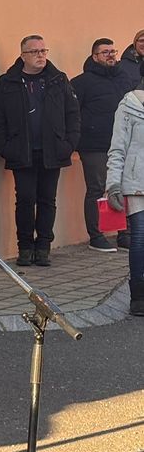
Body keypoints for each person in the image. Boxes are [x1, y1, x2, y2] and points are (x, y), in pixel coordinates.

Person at [0, 35, 80, 267]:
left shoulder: (58, 79)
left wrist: (68, 144)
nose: (40, 55)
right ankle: (25, 248)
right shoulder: (8, 82)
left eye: (43, 51)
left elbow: (73, 113)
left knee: (47, 200)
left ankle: (43, 248)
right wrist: (5, 147)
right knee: (25, 200)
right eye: (34, 52)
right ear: (23, 56)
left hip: (53, 150)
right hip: (22, 151)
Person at [71, 39, 136, 252]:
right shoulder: (81, 82)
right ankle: (96, 235)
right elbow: (73, 113)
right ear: (94, 56)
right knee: (97, 189)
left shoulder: (123, 79)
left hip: (123, 143)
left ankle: (123, 234)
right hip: (94, 145)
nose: (111, 55)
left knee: (123, 188)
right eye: (105, 52)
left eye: (113, 51)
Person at [106, 62, 144, 316]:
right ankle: (138, 297)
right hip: (137, 183)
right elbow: (117, 148)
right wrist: (113, 185)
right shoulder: (129, 105)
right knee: (140, 238)